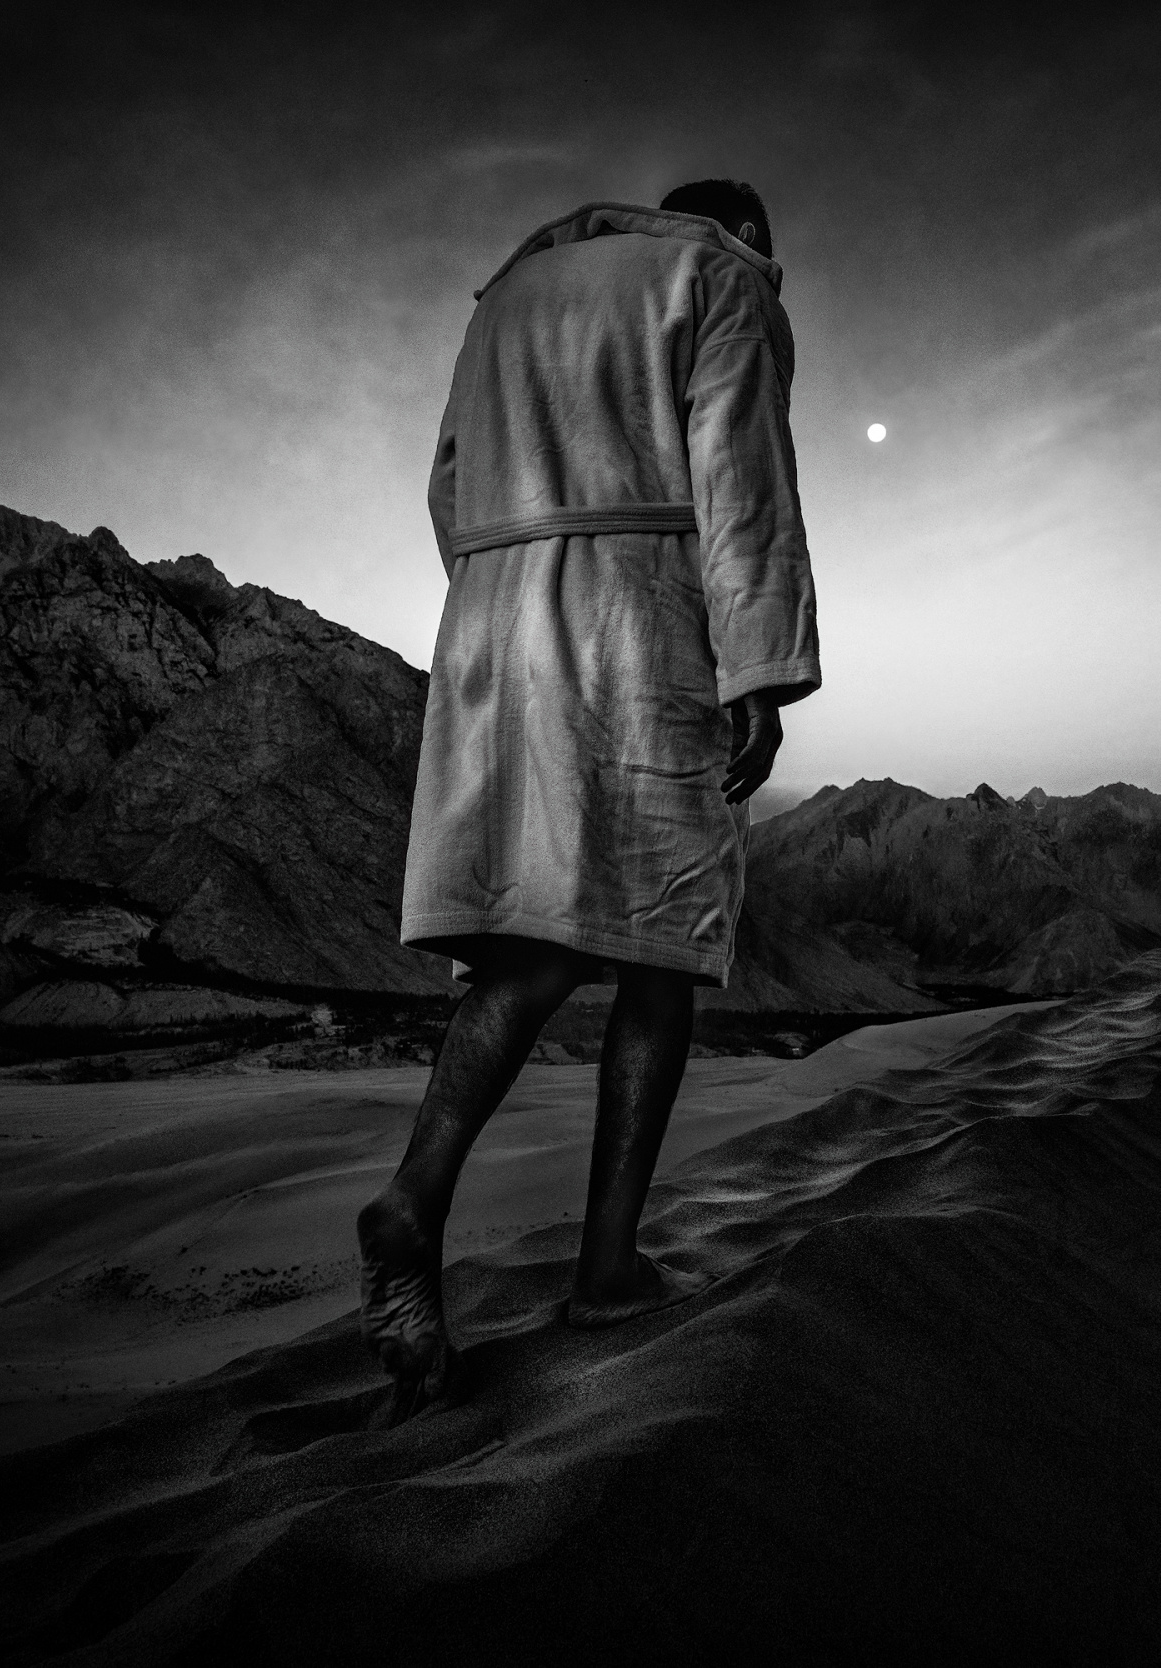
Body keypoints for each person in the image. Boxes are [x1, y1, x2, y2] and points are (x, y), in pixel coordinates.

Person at [357, 179, 819, 1422]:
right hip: (635, 608)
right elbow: (741, 475)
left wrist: (506, 584)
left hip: (494, 618)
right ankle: (608, 1270)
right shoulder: (719, 278)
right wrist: (761, 668)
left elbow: (447, 481)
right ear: (743, 233)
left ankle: (417, 1193)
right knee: (655, 942)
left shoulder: (509, 295)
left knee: (529, 936)